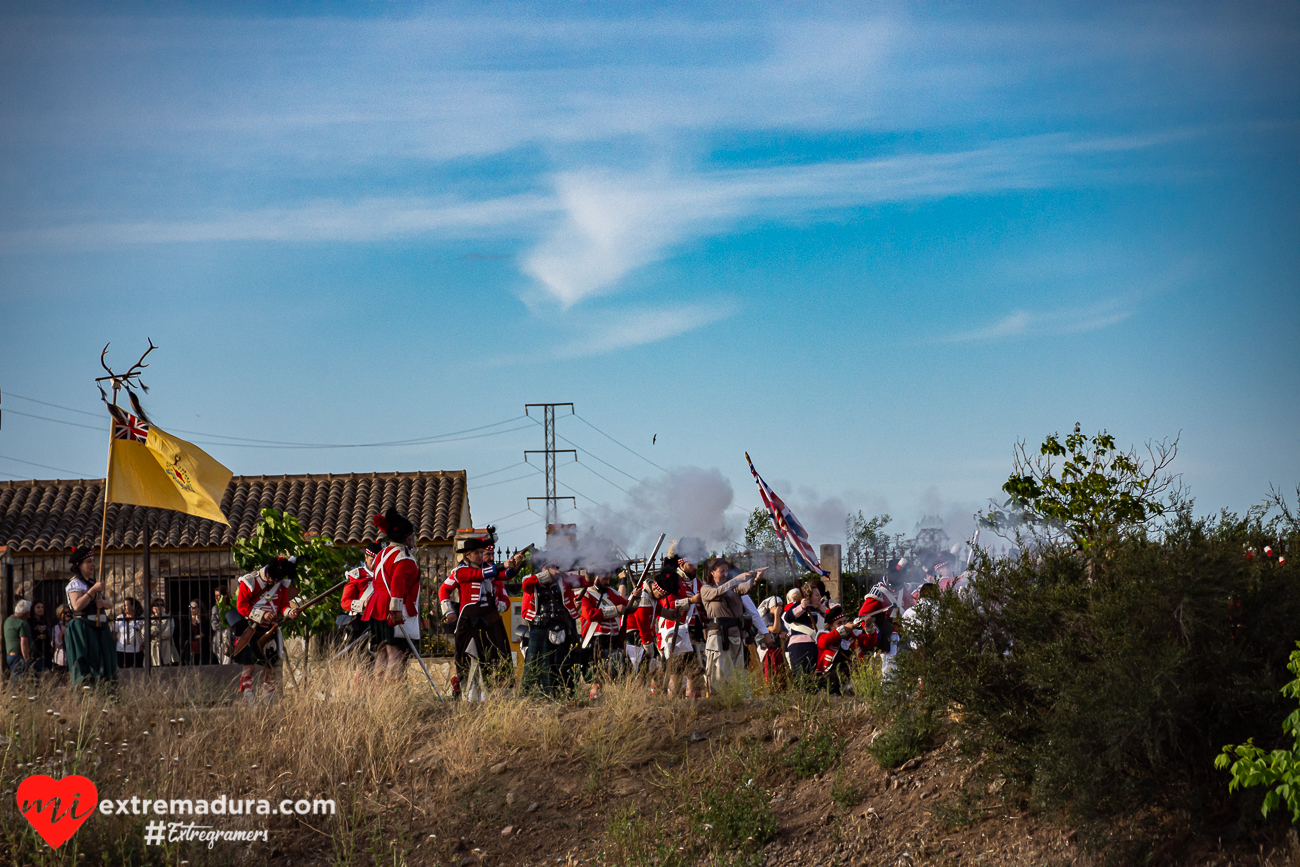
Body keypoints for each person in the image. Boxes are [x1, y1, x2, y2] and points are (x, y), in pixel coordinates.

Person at [439, 534, 522, 699]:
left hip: (490, 620)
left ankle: (497, 695)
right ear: (467, 555)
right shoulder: (461, 571)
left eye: (481, 552)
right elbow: (446, 589)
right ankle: (469, 695)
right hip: (469, 621)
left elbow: (504, 575)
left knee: (497, 657)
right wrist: (449, 611)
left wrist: (513, 566)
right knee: (467, 660)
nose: (479, 555)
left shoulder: (487, 569)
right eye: (476, 552)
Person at [366, 510, 422, 682]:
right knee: (395, 653)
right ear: (405, 538)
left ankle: (378, 693)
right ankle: (392, 694)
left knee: (382, 653)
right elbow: (397, 583)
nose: (413, 540)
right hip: (392, 609)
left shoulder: (382, 554)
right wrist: (396, 610)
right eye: (410, 536)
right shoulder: (404, 558)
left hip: (377, 607)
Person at [232, 557, 299, 702]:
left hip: (270, 629)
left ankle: (269, 701)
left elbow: (283, 605)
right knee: (248, 667)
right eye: (275, 578)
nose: (276, 582)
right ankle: (248, 701)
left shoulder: (280, 584)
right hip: (251, 629)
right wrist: (263, 614)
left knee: (270, 668)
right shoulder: (250, 581)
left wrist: (289, 612)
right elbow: (242, 606)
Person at [699, 559, 765, 695]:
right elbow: (717, 593)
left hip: (735, 634)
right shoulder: (706, 589)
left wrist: (756, 578)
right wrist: (737, 579)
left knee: (738, 670)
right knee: (719, 671)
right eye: (721, 571)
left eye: (726, 571)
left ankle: (737, 697)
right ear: (712, 572)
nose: (725, 574)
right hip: (717, 635)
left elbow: (745, 588)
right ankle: (719, 698)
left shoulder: (732, 588)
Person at [521, 562, 579, 697]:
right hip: (539, 627)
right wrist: (548, 574)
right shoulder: (532, 579)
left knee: (560, 662)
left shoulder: (563, 579)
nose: (555, 569)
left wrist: (592, 570)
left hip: (559, 625)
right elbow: (526, 586)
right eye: (550, 566)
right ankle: (528, 696)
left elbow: (584, 581)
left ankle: (562, 694)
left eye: (556, 566)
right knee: (535, 664)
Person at [64, 546, 117, 689]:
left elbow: (109, 604)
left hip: (99, 629)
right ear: (79, 565)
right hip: (83, 629)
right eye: (88, 561)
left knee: (105, 661)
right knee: (87, 663)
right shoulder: (75, 584)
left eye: (93, 561)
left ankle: (107, 692)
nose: (92, 564)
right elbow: (77, 606)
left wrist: (102, 602)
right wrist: (93, 592)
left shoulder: (92, 583)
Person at [578, 570, 628, 699]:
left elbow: (626, 605)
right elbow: (589, 615)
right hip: (595, 637)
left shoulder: (611, 592)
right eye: (604, 579)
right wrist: (614, 610)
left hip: (613, 636)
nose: (607, 581)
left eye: (608, 578)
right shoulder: (586, 594)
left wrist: (634, 597)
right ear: (595, 577)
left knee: (615, 670)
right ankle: (594, 697)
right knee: (597, 674)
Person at [339, 541, 382, 653]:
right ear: (366, 557)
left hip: (379, 621)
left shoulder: (384, 576)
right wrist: (363, 604)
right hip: (359, 621)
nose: (375, 565)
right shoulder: (357, 575)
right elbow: (345, 602)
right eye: (372, 561)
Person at [782, 586, 824, 685]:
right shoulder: (797, 604)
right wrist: (802, 607)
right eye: (817, 595)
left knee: (811, 677)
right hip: (799, 647)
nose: (820, 597)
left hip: (812, 645)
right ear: (809, 596)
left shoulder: (815, 609)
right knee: (801, 678)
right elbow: (788, 617)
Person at [815, 605, 859, 695]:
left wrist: (869, 626)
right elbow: (824, 642)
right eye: (839, 623)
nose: (843, 625)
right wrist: (843, 629)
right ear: (831, 626)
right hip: (829, 679)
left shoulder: (851, 635)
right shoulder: (824, 635)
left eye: (845, 622)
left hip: (846, 679)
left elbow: (869, 642)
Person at [755, 594, 791, 691]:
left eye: (781, 605)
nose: (780, 608)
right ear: (772, 607)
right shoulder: (766, 618)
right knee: (770, 675)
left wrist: (785, 635)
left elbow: (783, 631)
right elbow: (775, 629)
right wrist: (775, 615)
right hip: (769, 651)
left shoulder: (779, 618)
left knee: (780, 676)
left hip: (778, 650)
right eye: (778, 605)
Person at [4, 599, 35, 683]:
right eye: (29, 613)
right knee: (19, 681)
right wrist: (27, 658)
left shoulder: (8, 621)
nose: (29, 616)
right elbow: (23, 642)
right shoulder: (22, 623)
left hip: (10, 655)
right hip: (19, 656)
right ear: (26, 612)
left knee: (15, 678)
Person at [113, 598, 144, 669]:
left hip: (136, 650)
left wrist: (143, 645)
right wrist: (117, 643)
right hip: (121, 651)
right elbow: (114, 634)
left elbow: (147, 633)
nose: (123, 607)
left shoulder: (141, 618)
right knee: (122, 672)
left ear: (133, 606)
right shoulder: (120, 618)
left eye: (126, 605)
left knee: (137, 672)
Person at [149, 598, 180, 667]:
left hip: (167, 648)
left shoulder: (168, 618)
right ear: (152, 608)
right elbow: (145, 634)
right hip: (153, 649)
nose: (160, 607)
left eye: (162, 605)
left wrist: (155, 635)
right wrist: (159, 631)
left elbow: (168, 633)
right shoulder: (148, 619)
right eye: (157, 605)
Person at [212, 587, 233, 664]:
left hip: (231, 637)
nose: (216, 598)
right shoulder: (215, 608)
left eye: (218, 595)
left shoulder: (231, 606)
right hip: (219, 638)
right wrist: (226, 625)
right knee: (222, 661)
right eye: (215, 595)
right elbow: (214, 625)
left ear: (225, 596)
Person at [31, 601, 53, 670]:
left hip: (46, 650)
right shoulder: (30, 622)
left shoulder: (45, 621)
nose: (41, 609)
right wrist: (36, 628)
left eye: (42, 607)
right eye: (38, 607)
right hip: (37, 650)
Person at [51, 605, 72, 673]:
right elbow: (55, 644)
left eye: (69, 612)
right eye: (65, 613)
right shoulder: (56, 628)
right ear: (60, 615)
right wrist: (61, 633)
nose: (68, 614)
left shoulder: (74, 626)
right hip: (61, 660)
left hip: (73, 659)